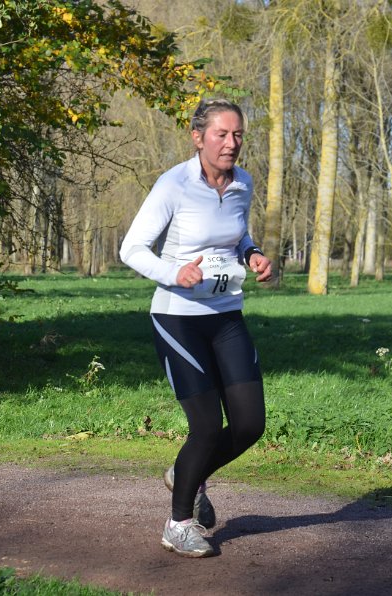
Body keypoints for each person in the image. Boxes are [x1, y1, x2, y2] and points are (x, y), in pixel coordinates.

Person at [119, 98, 272, 558]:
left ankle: (187, 471)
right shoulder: (174, 184)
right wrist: (175, 272)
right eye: (221, 134)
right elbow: (132, 248)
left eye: (238, 134)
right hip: (178, 317)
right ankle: (179, 524)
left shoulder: (243, 183)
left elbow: (237, 236)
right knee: (206, 427)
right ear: (198, 137)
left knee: (249, 424)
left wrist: (252, 254)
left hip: (226, 314)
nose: (231, 143)